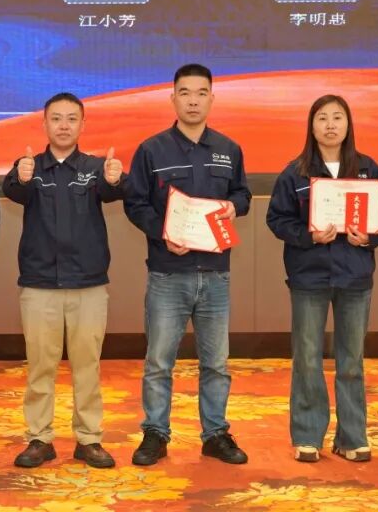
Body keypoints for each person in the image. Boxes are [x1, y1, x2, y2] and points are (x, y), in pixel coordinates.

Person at [123, 63, 251, 466]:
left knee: (216, 363)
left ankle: (215, 434)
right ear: (172, 98)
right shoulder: (152, 150)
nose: (193, 101)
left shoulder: (229, 149)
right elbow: (135, 204)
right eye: (185, 93)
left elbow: (243, 195)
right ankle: (155, 434)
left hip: (215, 274)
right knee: (159, 361)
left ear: (212, 98)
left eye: (201, 93)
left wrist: (233, 206)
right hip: (168, 273)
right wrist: (163, 233)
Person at [266, 95, 378, 464]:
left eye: (338, 117)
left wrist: (367, 237)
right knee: (307, 358)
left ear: (348, 124)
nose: (330, 125)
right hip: (309, 277)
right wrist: (310, 236)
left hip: (355, 278)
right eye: (322, 118)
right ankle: (308, 435)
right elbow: (277, 220)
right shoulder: (294, 173)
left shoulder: (368, 168)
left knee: (351, 361)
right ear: (311, 126)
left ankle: (352, 437)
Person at [2, 93, 126, 470]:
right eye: (56, 118)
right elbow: (13, 190)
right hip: (40, 284)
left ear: (83, 125)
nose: (63, 125)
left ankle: (89, 439)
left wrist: (115, 179)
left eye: (72, 118)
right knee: (41, 365)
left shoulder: (95, 167)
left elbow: (115, 190)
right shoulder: (29, 167)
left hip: (89, 284)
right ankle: (39, 438)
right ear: (44, 124)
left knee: (88, 366)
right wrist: (22, 177)